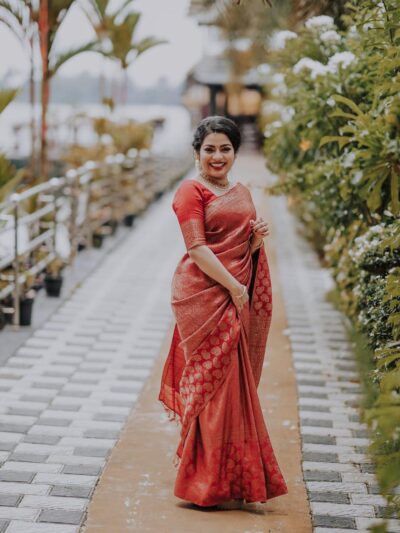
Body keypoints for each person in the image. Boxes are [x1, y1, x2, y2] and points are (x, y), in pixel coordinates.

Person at [158, 115, 288, 507]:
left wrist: (253, 242)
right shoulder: (190, 191)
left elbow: (239, 247)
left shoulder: (241, 191)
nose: (218, 156)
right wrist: (233, 287)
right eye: (209, 149)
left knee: (233, 387)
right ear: (197, 154)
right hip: (203, 295)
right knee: (210, 389)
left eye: (225, 148)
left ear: (235, 151)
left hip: (234, 293)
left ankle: (233, 478)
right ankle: (204, 482)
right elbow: (198, 249)